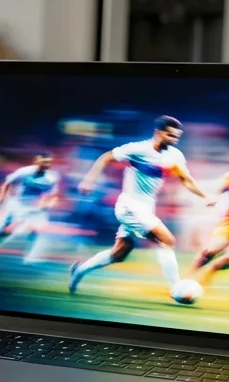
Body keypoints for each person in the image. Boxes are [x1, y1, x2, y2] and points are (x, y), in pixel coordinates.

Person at [69, 116, 211, 294]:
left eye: (177, 137)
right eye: (170, 135)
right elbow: (107, 157)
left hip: (145, 208)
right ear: (158, 132)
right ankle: (176, 288)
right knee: (166, 240)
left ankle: (79, 271)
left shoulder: (174, 156)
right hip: (129, 206)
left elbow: (186, 180)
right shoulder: (137, 149)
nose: (174, 140)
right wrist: (89, 180)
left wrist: (206, 197)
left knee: (119, 253)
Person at [0, 152, 60, 263]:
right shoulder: (24, 172)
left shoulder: (51, 178)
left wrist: (48, 204)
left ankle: (26, 257)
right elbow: (7, 183)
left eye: (48, 162)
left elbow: (52, 195)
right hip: (19, 203)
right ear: (37, 161)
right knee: (8, 230)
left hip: (35, 206)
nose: (46, 165)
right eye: (43, 162)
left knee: (35, 230)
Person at [192, 150, 229, 286]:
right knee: (211, 250)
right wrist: (212, 199)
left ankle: (210, 271)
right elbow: (218, 190)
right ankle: (187, 279)